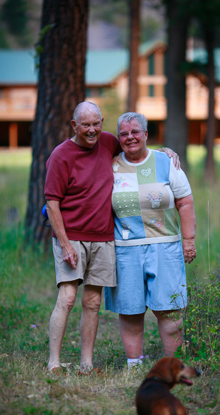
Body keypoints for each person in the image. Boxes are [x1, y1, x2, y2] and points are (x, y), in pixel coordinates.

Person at [44, 102, 179, 374]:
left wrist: (165, 152)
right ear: (74, 126)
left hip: (105, 238)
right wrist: (65, 243)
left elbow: (137, 148)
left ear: (102, 123)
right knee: (68, 298)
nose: (92, 130)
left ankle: (87, 363)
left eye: (97, 124)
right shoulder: (61, 155)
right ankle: (53, 363)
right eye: (85, 125)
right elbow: (52, 202)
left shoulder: (109, 142)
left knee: (92, 302)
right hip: (72, 237)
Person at [105, 112, 197, 369]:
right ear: (118, 138)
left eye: (135, 132)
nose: (130, 137)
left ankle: (172, 365)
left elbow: (185, 202)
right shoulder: (110, 165)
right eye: (123, 133)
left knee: (169, 310)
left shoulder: (166, 162)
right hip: (125, 250)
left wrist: (188, 240)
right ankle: (135, 365)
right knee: (131, 310)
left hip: (165, 247)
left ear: (146, 134)